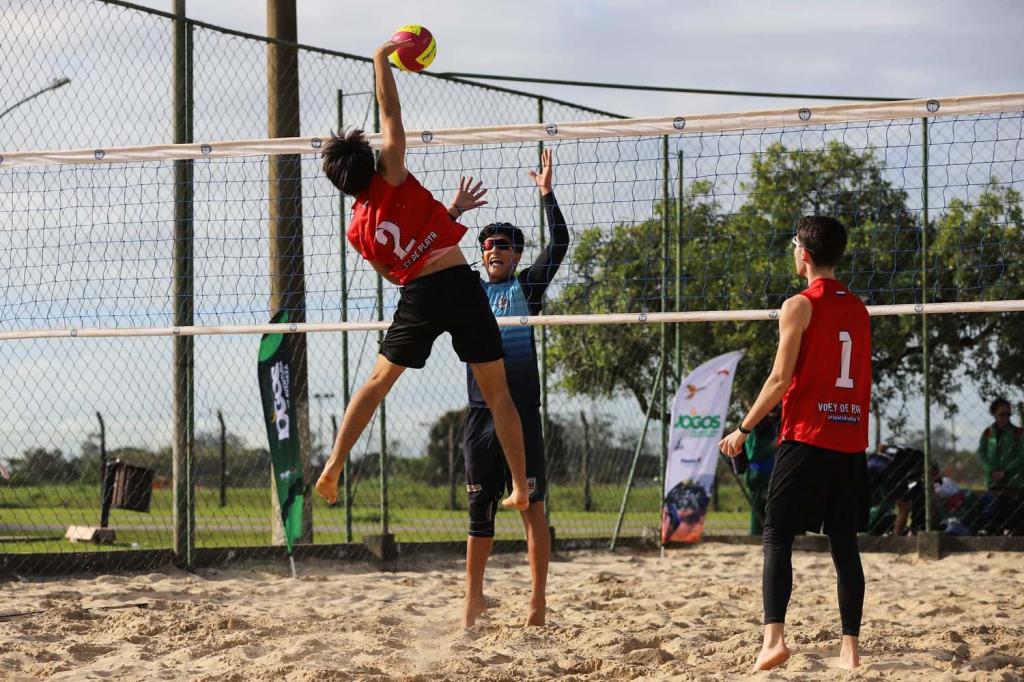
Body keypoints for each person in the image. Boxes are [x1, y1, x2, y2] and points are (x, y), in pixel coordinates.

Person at [314, 38, 529, 513]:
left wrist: (424, 239)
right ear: (369, 161)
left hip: (419, 295)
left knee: (375, 383)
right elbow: (390, 112)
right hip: (459, 281)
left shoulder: (356, 229)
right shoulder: (391, 171)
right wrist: (379, 60)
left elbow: (392, 275)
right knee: (498, 394)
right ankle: (518, 485)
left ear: (339, 184)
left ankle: (333, 465)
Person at [719, 216, 871, 671]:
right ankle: (850, 651)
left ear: (803, 253)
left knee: (777, 535)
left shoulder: (799, 305)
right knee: (844, 545)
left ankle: (774, 640)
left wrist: (742, 429)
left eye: (792, 246)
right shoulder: (859, 308)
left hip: (807, 438)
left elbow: (780, 379)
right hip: (850, 441)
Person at [462, 148, 568, 627]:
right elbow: (424, 259)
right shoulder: (468, 290)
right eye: (488, 245)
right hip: (481, 413)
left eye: (503, 245)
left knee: (533, 506)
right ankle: (472, 601)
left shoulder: (529, 286)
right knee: (479, 508)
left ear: (518, 253)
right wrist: (454, 213)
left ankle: (538, 603)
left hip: (522, 411)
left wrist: (546, 193)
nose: (494, 250)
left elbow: (561, 242)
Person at [977, 397, 1024, 534]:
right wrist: (991, 471)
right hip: (994, 483)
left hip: (1014, 484)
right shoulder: (987, 433)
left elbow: (1022, 456)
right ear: (994, 414)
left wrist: (1006, 471)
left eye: (1008, 415)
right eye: (1001, 414)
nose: (1005, 418)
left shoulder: (1018, 433)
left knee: (1015, 518)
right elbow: (981, 454)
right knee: (993, 517)